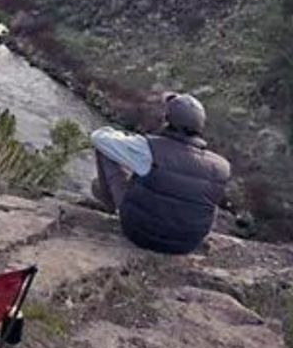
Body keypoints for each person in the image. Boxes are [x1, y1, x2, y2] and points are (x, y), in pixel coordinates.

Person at [90, 92, 230, 255]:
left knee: (108, 150)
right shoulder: (221, 167)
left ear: (167, 120)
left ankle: (111, 207)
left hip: (139, 232)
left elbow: (99, 138)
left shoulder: (149, 149)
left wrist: (120, 135)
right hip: (185, 245)